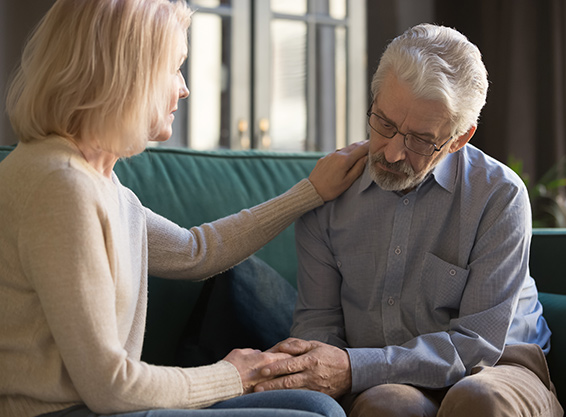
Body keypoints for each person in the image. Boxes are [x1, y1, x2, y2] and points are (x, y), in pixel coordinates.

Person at [0, 0, 369, 416]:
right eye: (174, 67)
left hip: (102, 406)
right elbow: (110, 386)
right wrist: (234, 375)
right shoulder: (60, 187)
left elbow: (195, 251)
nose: (184, 87)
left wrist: (311, 191)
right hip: (68, 412)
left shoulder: (96, 178)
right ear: (128, 75)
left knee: (314, 406)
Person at [254, 23, 564, 417]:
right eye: (384, 123)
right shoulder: (329, 195)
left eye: (420, 139)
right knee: (384, 406)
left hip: (499, 366)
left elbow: (477, 347)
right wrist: (323, 366)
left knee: (478, 399)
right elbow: (318, 325)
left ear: (458, 138)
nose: (393, 153)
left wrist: (354, 367)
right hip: (384, 380)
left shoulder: (499, 196)